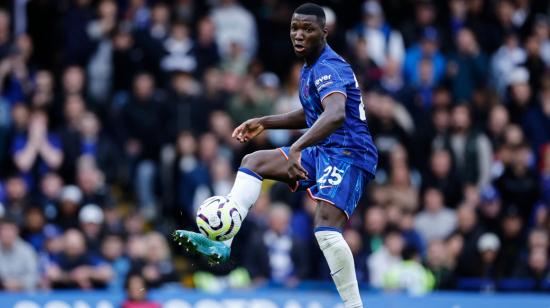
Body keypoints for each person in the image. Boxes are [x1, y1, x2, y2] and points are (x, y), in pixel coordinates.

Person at [174, 3, 377, 307]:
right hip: (323, 149)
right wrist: (264, 121)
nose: (299, 34)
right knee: (253, 162)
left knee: (325, 229)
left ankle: (354, 305)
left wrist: (296, 147)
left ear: (324, 32)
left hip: (349, 153)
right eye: (295, 27)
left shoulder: (329, 66)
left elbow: (334, 115)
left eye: (307, 29)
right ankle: (223, 244)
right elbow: (313, 113)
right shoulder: (310, 67)